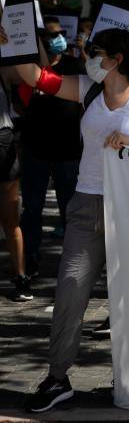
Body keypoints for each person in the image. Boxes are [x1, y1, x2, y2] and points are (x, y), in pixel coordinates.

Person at [14, 28, 129, 413]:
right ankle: (57, 378)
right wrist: (12, 42)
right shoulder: (87, 88)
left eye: (95, 51)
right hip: (86, 205)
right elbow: (37, 77)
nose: (88, 56)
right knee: (70, 288)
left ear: (117, 58)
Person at [19, 19, 84, 279]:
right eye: (51, 36)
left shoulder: (75, 67)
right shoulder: (30, 71)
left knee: (70, 209)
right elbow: (21, 104)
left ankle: (72, 259)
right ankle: (31, 257)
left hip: (68, 153)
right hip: (36, 152)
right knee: (32, 210)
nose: (57, 39)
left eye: (60, 34)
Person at [0, 62, 29, 301]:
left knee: (11, 219)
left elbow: (31, 74)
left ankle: (21, 278)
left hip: (3, 142)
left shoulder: (4, 70)